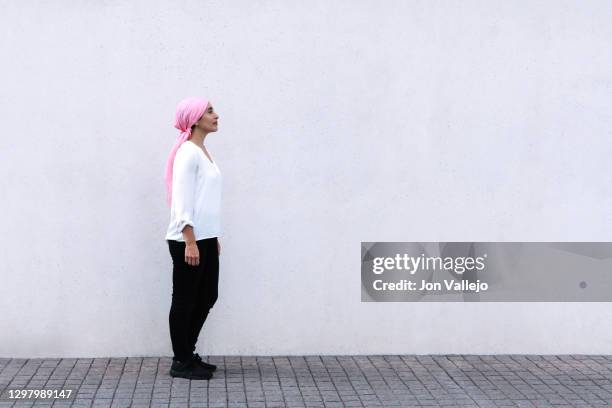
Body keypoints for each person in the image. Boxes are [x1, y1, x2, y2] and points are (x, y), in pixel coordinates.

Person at [164, 96, 222, 380]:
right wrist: (190, 239)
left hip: (205, 238)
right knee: (186, 299)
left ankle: (188, 352)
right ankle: (181, 361)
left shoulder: (203, 152)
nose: (216, 115)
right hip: (187, 239)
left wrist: (212, 237)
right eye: (210, 111)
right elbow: (181, 198)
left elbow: (206, 200)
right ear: (196, 119)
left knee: (208, 295)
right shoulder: (188, 152)